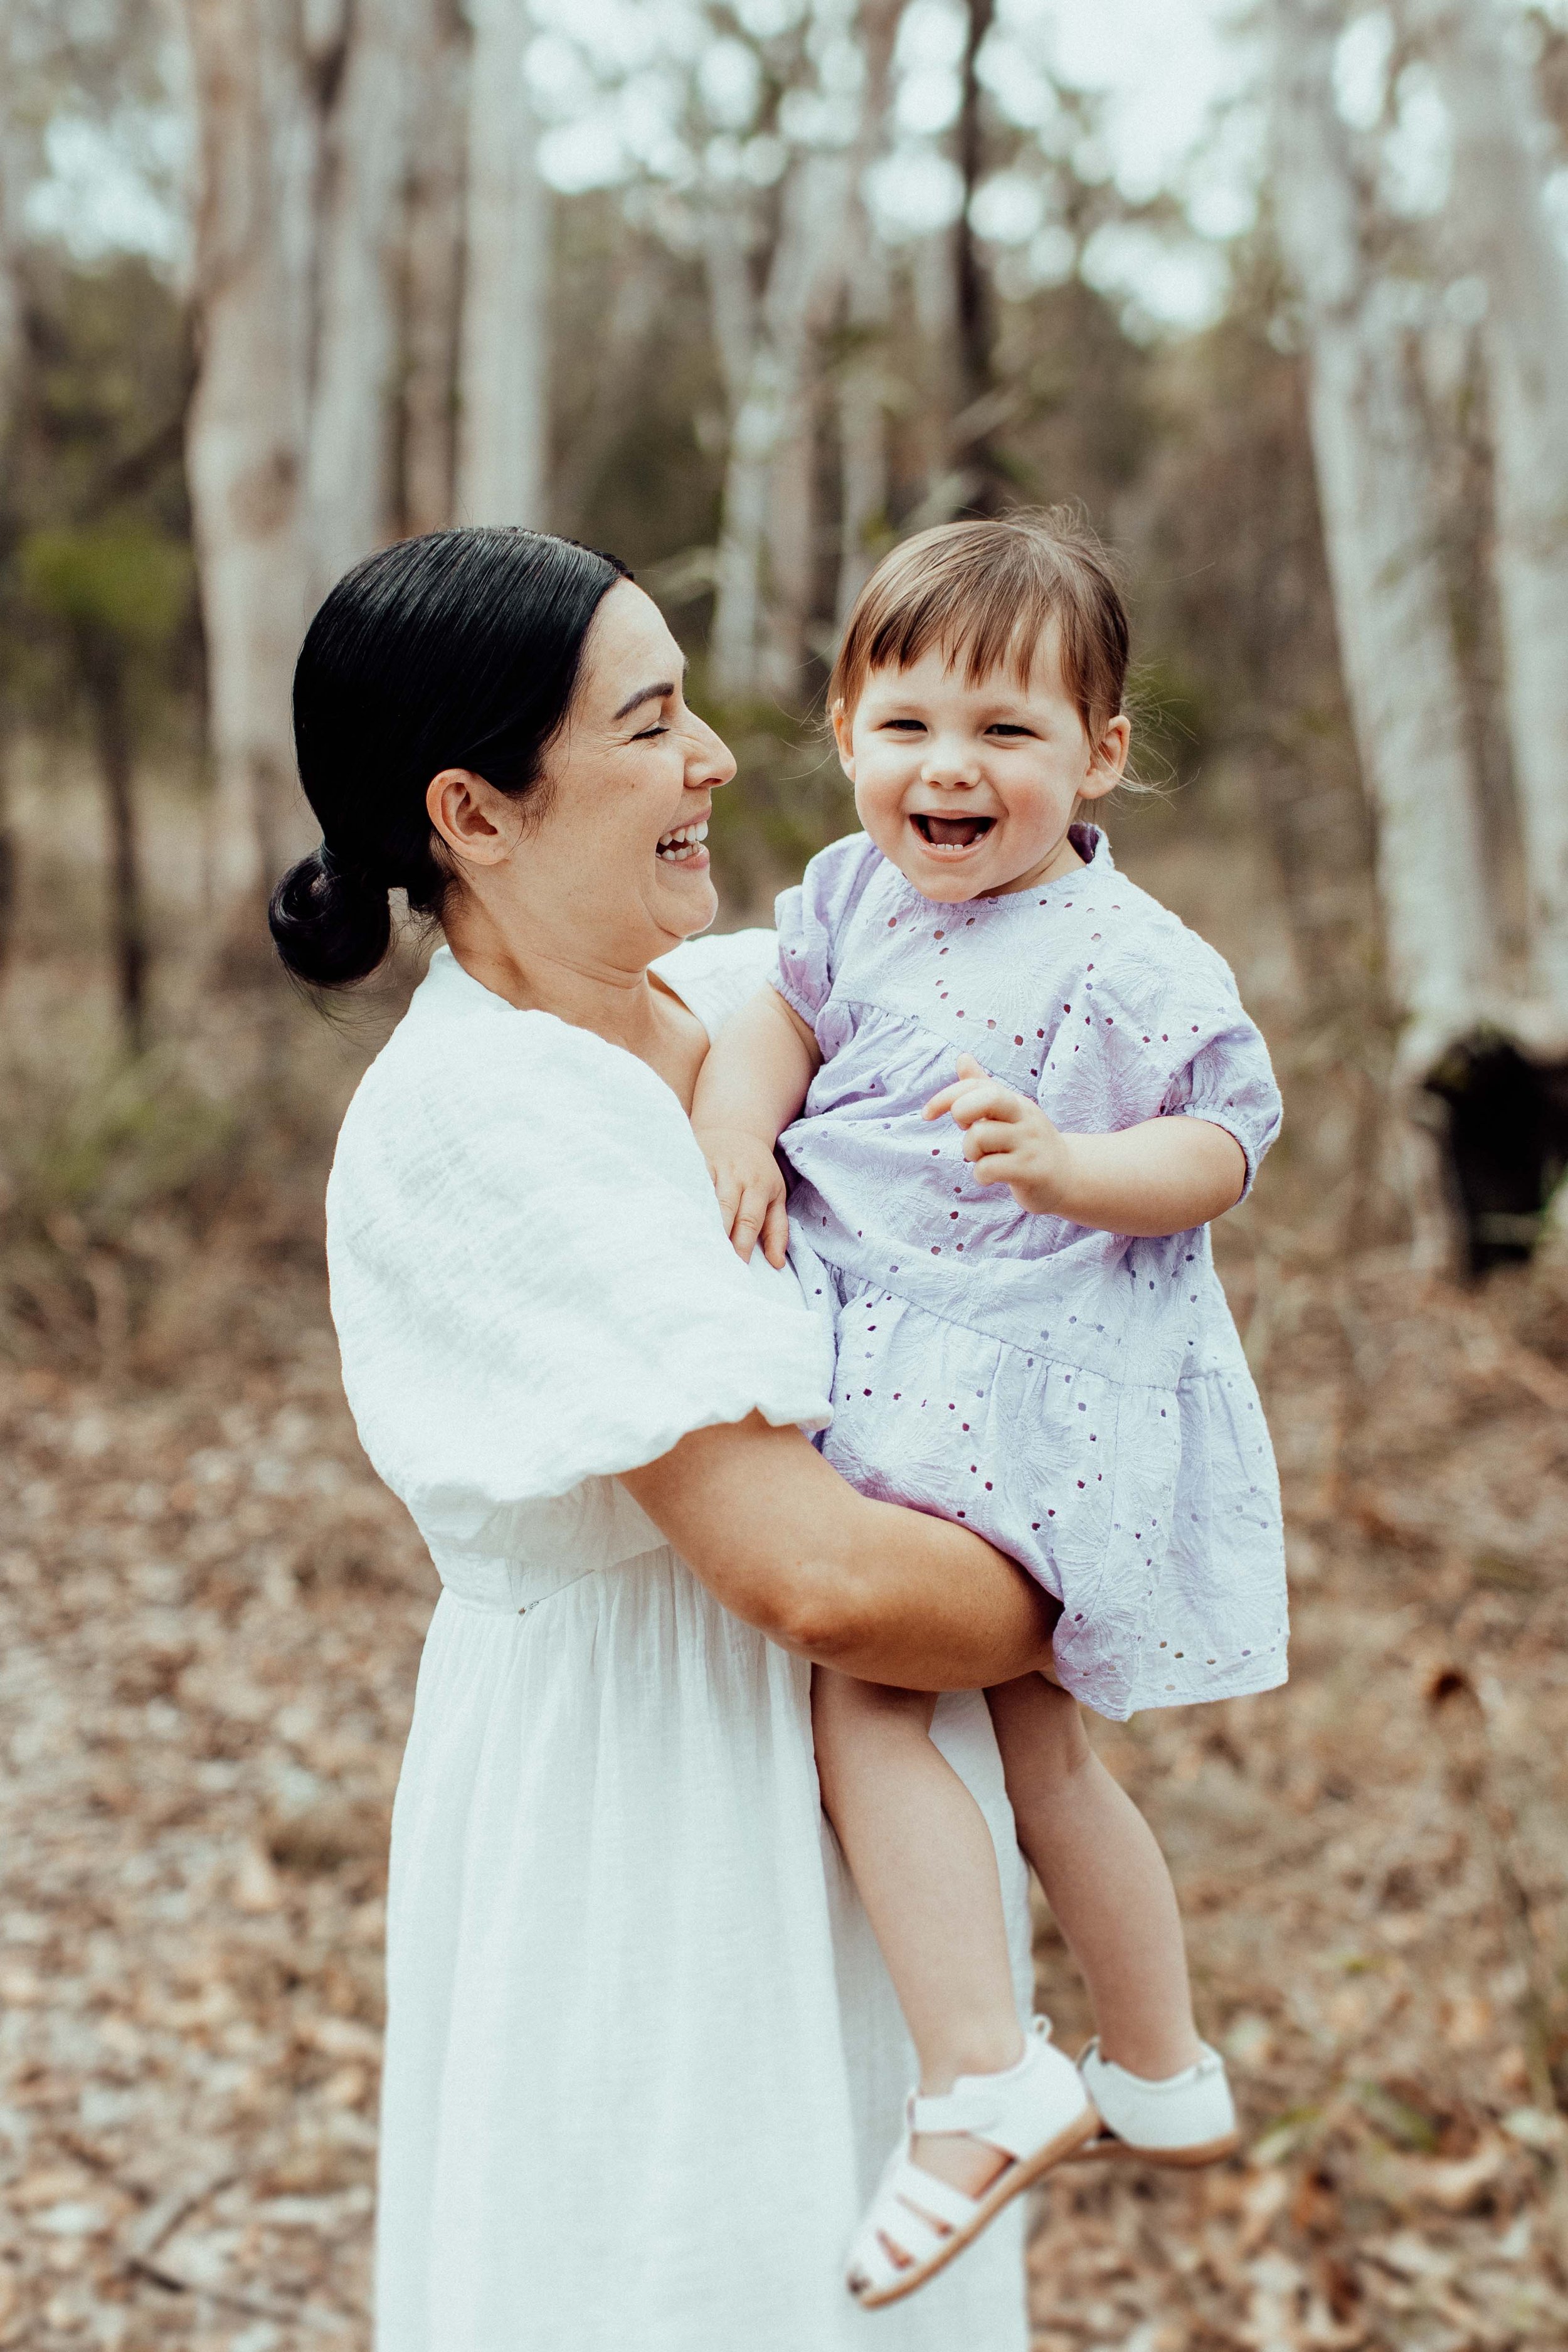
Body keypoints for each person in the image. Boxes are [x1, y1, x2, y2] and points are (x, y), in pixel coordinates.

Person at [267, 524, 1083, 2352]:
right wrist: (1101, 1578)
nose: (714, 757)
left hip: (867, 1816)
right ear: (473, 812)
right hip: (647, 1822)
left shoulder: (735, 1003)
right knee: (683, 2275)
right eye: (648, 724)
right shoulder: (479, 1118)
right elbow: (811, 1574)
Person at [692, 512, 1289, 2306]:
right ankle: (1160, 2065)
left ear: (1100, 754)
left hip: (1020, 1383)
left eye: (1008, 734)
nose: (949, 770)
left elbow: (1228, 1139)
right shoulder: (860, 890)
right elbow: (787, 1013)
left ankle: (980, 2069)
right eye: (908, 726)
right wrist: (738, 1119)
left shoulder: (1125, 954)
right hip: (914, 1361)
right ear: (846, 727)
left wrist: (1080, 1169)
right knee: (1039, 1752)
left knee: (871, 1701)